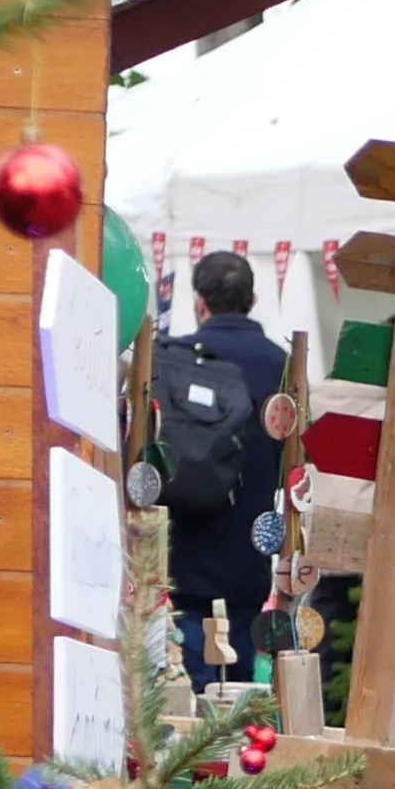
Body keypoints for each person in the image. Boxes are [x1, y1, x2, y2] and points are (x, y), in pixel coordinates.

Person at [155, 250, 286, 680]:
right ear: (253, 301)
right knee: (238, 684)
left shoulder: (173, 359)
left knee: (184, 682)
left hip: (183, 545)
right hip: (249, 549)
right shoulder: (281, 365)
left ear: (200, 301)